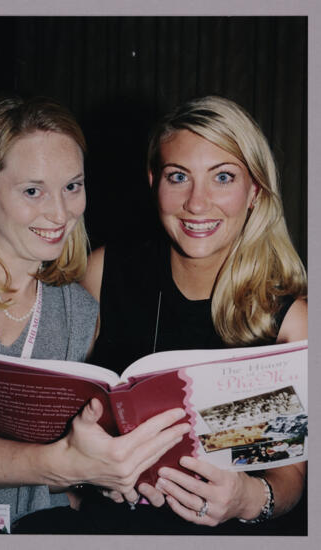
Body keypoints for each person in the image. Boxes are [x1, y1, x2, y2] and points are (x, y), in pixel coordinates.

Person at [80, 96, 308, 535]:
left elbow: (288, 479)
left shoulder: (290, 322)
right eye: (178, 177)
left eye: (222, 178)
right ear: (154, 182)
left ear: (254, 192)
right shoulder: (104, 272)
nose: (197, 203)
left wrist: (246, 499)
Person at [0, 94, 190, 533]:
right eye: (33, 190)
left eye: (73, 186)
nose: (61, 212)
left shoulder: (80, 311)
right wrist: (61, 466)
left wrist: (120, 471)